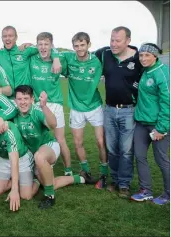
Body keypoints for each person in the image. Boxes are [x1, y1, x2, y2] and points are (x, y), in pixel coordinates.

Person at [7, 86, 94, 209]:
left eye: (26, 98)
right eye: (19, 99)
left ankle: (50, 196)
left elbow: (53, 124)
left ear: (32, 99)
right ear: (15, 101)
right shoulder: (13, 114)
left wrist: (44, 106)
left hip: (49, 147)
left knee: (40, 157)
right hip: (32, 154)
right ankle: (80, 178)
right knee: (50, 183)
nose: (23, 102)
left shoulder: (37, 111)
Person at [94, 26, 143, 198]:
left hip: (129, 111)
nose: (113, 44)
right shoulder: (104, 53)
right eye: (111, 40)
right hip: (109, 109)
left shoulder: (138, 58)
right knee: (112, 149)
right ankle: (114, 180)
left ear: (128, 41)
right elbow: (82, 56)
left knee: (126, 150)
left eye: (118, 41)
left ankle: (124, 184)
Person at [61, 32, 108, 186]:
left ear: (89, 44)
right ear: (73, 46)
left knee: (101, 142)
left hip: (94, 106)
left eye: (82, 45)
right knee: (77, 143)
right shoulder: (69, 58)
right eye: (76, 45)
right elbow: (52, 51)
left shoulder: (97, 61)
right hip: (76, 108)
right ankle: (85, 171)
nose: (79, 48)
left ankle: (104, 173)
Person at [130, 43, 170, 205]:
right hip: (141, 123)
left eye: (147, 55)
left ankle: (168, 193)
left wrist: (161, 128)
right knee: (139, 156)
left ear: (155, 56)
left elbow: (167, 102)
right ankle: (145, 190)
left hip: (157, 125)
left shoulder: (162, 72)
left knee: (161, 160)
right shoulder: (145, 72)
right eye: (141, 55)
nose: (143, 58)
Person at [28, 32, 72, 176]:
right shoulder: (32, 59)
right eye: (40, 44)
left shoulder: (57, 59)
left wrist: (56, 58)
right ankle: (37, 164)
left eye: (46, 44)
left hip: (55, 103)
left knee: (60, 138)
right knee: (36, 135)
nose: (43, 47)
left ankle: (68, 170)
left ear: (51, 45)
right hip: (37, 103)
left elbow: (63, 59)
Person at [0, 26, 62, 92]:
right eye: (5, 36)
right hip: (7, 97)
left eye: (10, 36)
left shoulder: (25, 50)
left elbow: (48, 47)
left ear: (16, 37)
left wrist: (56, 58)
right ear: (2, 38)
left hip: (24, 97)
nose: (7, 38)